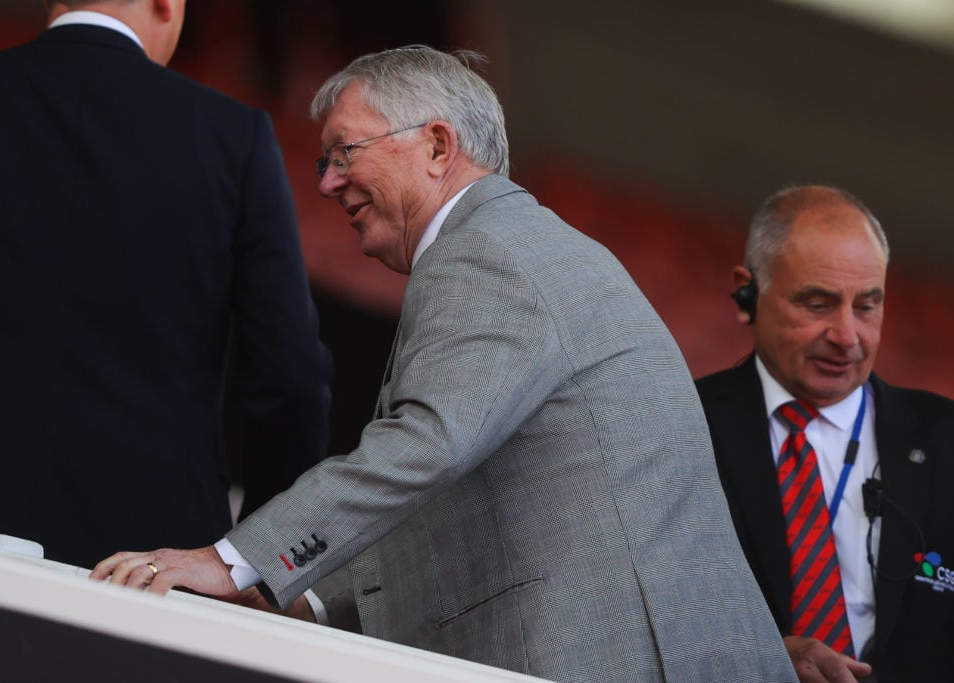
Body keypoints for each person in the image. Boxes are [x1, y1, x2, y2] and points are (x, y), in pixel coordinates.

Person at [92, 46, 795, 682]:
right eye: (323, 162)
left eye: (345, 152)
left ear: (436, 145)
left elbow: (425, 448)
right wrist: (298, 592)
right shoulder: (516, 246)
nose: (329, 183)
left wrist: (230, 561)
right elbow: (444, 506)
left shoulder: (487, 252)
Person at [0, 0, 331, 568]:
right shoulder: (232, 138)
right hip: (149, 565)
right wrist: (253, 559)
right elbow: (289, 375)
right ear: (168, 4)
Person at [696, 185, 954, 682]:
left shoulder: (946, 441)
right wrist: (762, 655)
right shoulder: (684, 426)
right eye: (818, 304)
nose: (847, 336)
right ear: (747, 295)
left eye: (867, 306)